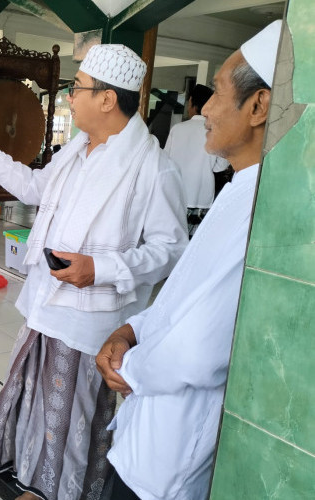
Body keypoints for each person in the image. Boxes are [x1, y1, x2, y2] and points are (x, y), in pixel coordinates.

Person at [0, 43, 188, 500]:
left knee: (72, 422)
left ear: (106, 99)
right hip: (44, 308)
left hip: (89, 323)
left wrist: (101, 268)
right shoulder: (76, 150)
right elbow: (34, 187)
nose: (68, 98)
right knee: (35, 410)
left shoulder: (152, 168)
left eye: (76, 89)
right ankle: (30, 486)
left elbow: (171, 250)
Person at [96, 20, 282, 500]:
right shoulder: (239, 189)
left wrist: (130, 368)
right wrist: (131, 330)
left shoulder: (264, 210)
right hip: (147, 431)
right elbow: (181, 297)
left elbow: (200, 348)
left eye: (217, 94)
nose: (204, 110)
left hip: (170, 455)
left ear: (258, 106)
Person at [164, 84, 230, 237]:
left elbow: (165, 161)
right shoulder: (215, 132)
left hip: (176, 198)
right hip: (202, 199)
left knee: (173, 242)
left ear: (192, 102)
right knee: (195, 244)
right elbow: (220, 167)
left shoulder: (177, 129)